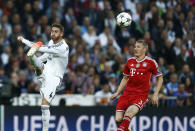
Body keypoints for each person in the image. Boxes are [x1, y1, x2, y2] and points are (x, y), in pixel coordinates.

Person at [17, 23, 69, 131]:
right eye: (52, 31)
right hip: (46, 69)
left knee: (44, 106)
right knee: (37, 62)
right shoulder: (51, 42)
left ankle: (45, 129)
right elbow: (46, 55)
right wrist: (37, 61)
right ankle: (32, 58)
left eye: (56, 32)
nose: (53, 33)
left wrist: (23, 40)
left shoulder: (63, 47)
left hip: (55, 78)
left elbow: (42, 49)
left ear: (61, 34)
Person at [110, 40, 163, 131]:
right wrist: (117, 92)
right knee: (118, 120)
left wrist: (155, 94)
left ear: (144, 49)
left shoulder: (151, 62)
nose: (135, 49)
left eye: (138, 47)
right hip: (126, 95)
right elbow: (125, 78)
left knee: (128, 114)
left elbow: (160, 78)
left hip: (140, 96)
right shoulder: (130, 61)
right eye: (135, 46)